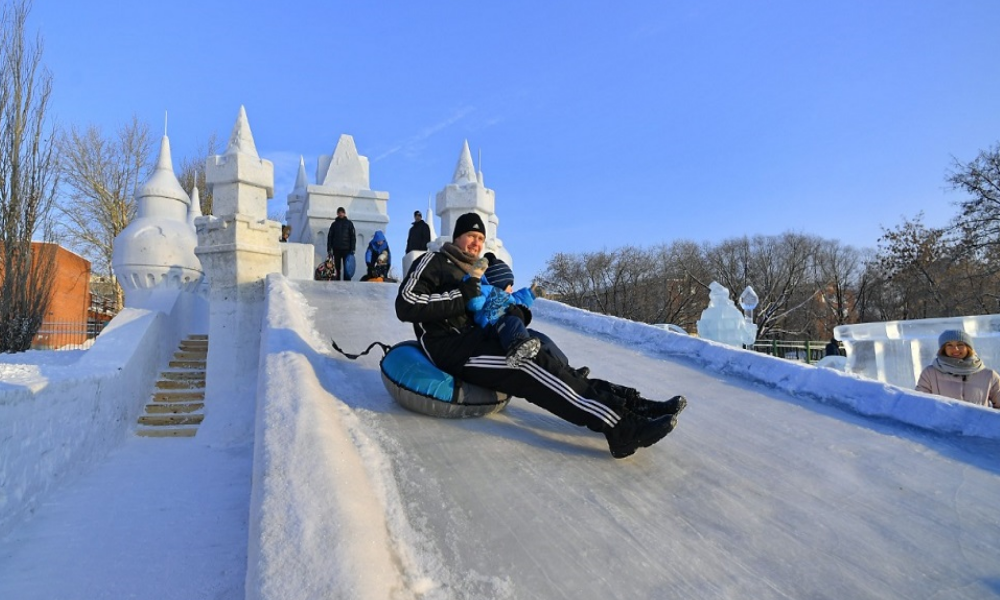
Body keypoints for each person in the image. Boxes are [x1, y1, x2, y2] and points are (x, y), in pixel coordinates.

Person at [395, 212, 686, 459]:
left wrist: (517, 314)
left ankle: (634, 406)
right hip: (454, 349)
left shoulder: (479, 275)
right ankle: (620, 427)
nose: (477, 242)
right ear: (457, 236)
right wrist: (461, 294)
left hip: (481, 339)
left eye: (481, 238)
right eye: (471, 235)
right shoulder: (434, 262)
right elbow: (406, 304)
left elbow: (493, 308)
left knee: (546, 354)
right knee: (528, 363)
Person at [467, 253, 541, 368]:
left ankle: (566, 367)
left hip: (504, 324)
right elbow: (474, 303)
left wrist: (530, 294)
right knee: (512, 322)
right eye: (509, 285)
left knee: (542, 338)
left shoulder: (508, 297)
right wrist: (474, 279)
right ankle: (516, 346)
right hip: (491, 325)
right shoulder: (486, 290)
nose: (511, 289)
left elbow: (519, 300)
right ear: (500, 283)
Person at [916, 329, 1000, 409]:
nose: (955, 349)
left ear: (968, 347)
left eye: (960, 344)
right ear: (943, 349)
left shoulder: (989, 375)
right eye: (949, 345)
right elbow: (920, 404)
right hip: (942, 424)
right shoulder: (930, 373)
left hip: (977, 424)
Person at [326, 207, 356, 281]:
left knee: (347, 268)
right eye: (339, 212)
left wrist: (353, 248)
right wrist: (329, 248)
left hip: (347, 250)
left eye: (342, 212)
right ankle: (337, 282)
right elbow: (330, 236)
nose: (341, 214)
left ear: (344, 213)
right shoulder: (334, 224)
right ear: (337, 214)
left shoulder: (349, 224)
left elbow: (353, 237)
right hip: (337, 249)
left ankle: (347, 284)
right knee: (337, 268)